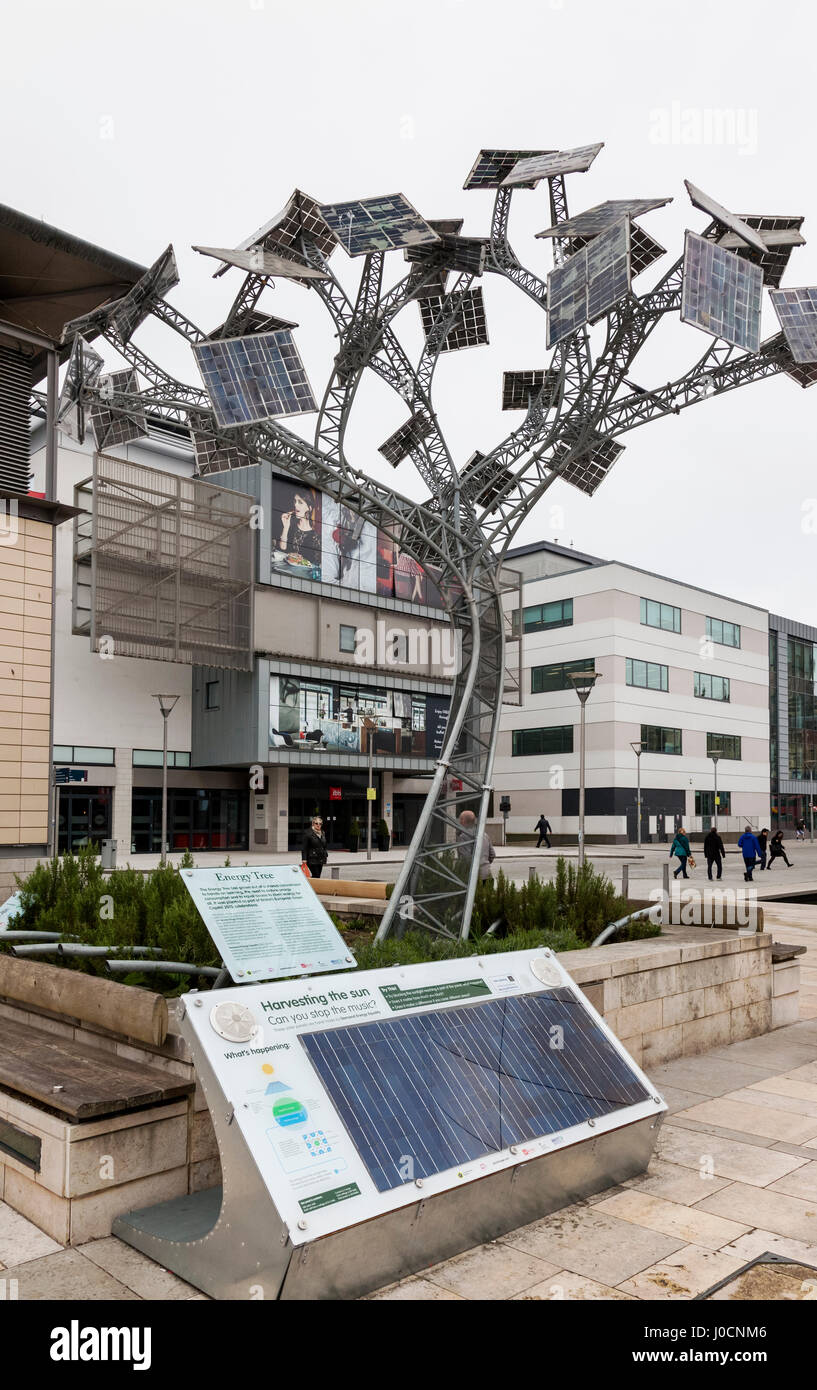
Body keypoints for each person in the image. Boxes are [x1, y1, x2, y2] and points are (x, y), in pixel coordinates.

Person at [277, 488, 321, 570]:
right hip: (284, 570)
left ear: (309, 508)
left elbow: (317, 566)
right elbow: (282, 548)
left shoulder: (316, 537)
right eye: (295, 501)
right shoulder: (290, 525)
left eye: (300, 502)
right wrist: (286, 527)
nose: (296, 505)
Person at [456, 809, 496, 881]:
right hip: (487, 875)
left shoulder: (463, 837)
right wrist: (483, 864)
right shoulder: (485, 835)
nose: (459, 822)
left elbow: (466, 859)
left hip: (473, 879)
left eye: (460, 820)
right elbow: (492, 854)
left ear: (463, 821)